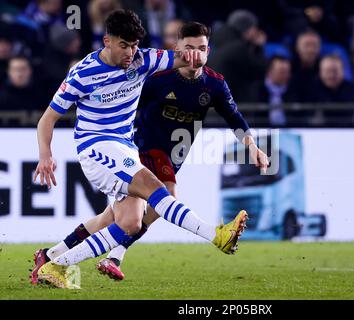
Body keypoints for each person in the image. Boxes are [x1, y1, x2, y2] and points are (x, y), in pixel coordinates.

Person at [31, 10, 256, 289]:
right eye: (124, 45)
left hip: (125, 148)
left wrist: (194, 56)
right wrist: (45, 154)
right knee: (159, 189)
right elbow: (47, 119)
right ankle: (216, 236)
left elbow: (180, 57)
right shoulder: (82, 73)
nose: (131, 52)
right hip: (96, 147)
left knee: (129, 223)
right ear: (107, 41)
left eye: (135, 45)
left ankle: (53, 260)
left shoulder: (143, 59)